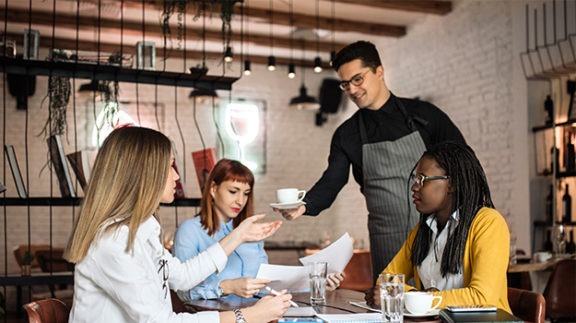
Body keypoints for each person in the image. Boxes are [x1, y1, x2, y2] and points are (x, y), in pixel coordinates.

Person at [276, 41, 465, 280]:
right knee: (390, 306)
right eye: (345, 84)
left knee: (440, 302)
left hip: (438, 233)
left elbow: (463, 164)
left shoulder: (424, 115)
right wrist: (305, 205)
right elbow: (333, 180)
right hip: (387, 240)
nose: (352, 90)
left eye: (358, 79)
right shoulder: (347, 134)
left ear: (379, 71)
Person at [65, 127, 292, 323]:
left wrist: (238, 235)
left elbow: (182, 276)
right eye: (170, 166)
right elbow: (162, 321)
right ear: (144, 173)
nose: (176, 177)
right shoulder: (113, 241)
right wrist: (248, 317)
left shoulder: (143, 231)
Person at [365, 141, 511, 312]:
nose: (414, 187)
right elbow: (386, 280)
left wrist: (418, 298)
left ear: (452, 184)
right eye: (415, 179)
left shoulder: (488, 223)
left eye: (422, 179)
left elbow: (483, 298)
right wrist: (419, 296)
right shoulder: (422, 231)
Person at [174, 158, 344, 301]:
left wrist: (317, 283)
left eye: (246, 193)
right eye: (233, 191)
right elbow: (183, 292)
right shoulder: (189, 230)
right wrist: (227, 287)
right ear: (213, 189)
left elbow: (267, 287)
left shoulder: (253, 233)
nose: (240, 201)